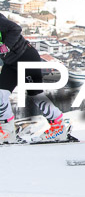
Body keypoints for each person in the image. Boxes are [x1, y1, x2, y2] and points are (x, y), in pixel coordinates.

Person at [0, 13, 71, 144]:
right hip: (11, 64)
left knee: (36, 95)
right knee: (0, 94)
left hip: (26, 57)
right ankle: (7, 132)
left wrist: (6, 46)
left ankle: (59, 126)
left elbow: (15, 28)